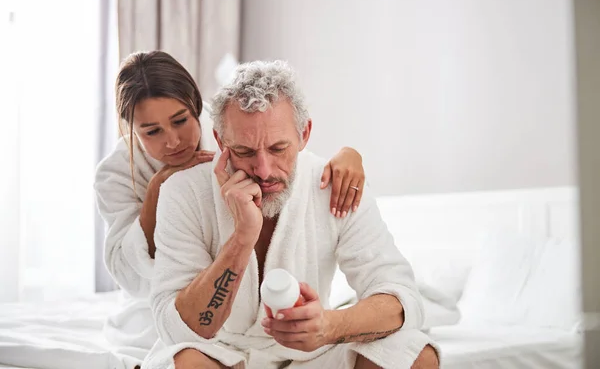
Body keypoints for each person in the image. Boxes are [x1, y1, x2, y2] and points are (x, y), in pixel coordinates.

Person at [144, 60, 440, 368]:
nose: (263, 170)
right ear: (220, 141)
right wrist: (243, 237)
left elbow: (402, 298)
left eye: (277, 148)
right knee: (183, 363)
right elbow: (180, 328)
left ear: (304, 133)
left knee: (416, 355)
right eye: (244, 152)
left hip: (313, 356)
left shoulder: (336, 185)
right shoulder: (183, 192)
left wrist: (329, 326)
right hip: (222, 356)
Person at [94, 51, 367, 367]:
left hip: (250, 314)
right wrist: (158, 190)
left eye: (181, 120)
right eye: (152, 131)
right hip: (160, 305)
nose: (172, 141)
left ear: (197, 107)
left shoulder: (226, 131)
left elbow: (285, 153)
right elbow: (129, 274)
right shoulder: (114, 175)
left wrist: (349, 154)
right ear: (129, 129)